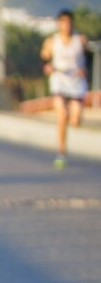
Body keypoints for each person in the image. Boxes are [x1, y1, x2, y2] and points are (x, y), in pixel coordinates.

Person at [40, 9, 89, 169]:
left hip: (76, 82)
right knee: (62, 113)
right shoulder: (51, 41)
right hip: (59, 81)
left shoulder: (80, 40)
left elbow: (90, 58)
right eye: (63, 22)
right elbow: (44, 57)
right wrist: (47, 66)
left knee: (75, 120)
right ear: (59, 24)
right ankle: (61, 152)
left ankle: (69, 131)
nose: (66, 25)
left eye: (69, 22)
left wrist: (84, 70)